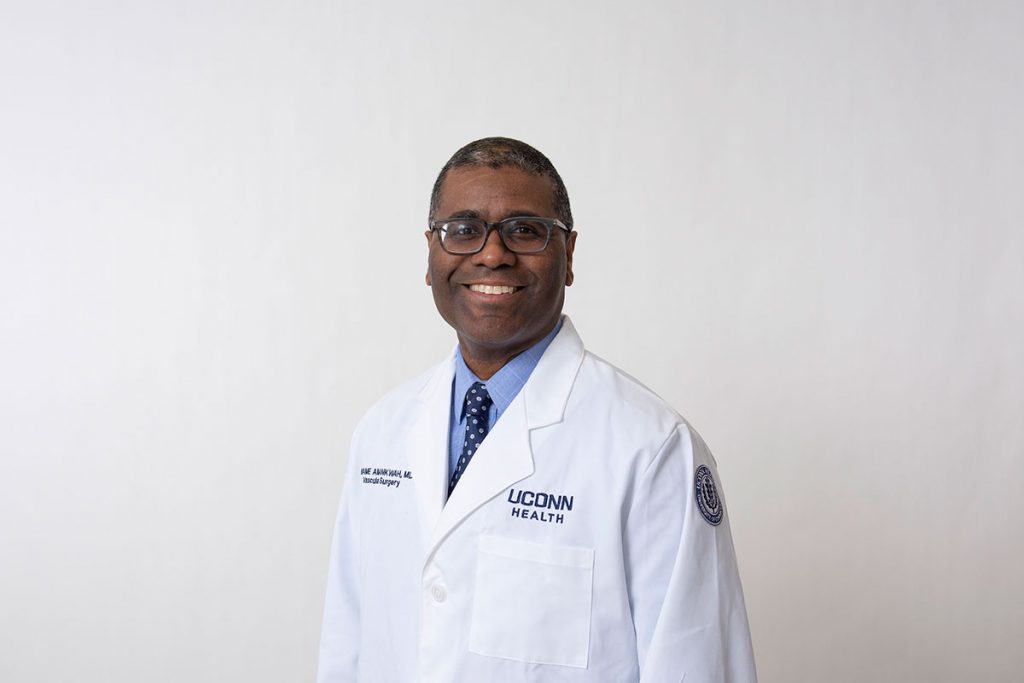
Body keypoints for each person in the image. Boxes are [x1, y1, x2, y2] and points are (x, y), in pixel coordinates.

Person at [317, 137, 757, 682]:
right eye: (463, 229)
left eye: (525, 230)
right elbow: (347, 645)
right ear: (430, 255)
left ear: (568, 255)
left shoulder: (652, 449)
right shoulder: (382, 431)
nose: (492, 253)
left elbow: (696, 667)